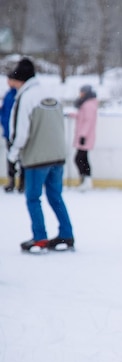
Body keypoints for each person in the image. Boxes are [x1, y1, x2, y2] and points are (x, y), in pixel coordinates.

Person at [7, 58, 75, 252]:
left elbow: (20, 133)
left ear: (19, 79)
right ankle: (66, 233)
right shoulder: (50, 93)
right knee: (55, 196)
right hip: (58, 155)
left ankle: (40, 237)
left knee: (33, 198)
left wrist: (12, 157)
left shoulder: (25, 97)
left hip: (37, 158)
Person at [68, 84, 98, 191]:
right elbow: (82, 117)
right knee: (82, 158)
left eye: (82, 92)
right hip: (84, 136)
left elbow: (88, 121)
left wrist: (83, 135)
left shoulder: (88, 105)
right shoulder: (86, 104)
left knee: (79, 158)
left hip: (85, 137)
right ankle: (85, 180)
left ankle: (86, 180)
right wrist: (72, 115)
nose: (80, 94)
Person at [1, 73, 24, 193]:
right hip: (8, 132)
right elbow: (4, 111)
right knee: (10, 158)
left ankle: (22, 182)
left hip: (17, 132)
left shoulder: (19, 94)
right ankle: (12, 181)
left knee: (20, 158)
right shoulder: (8, 94)